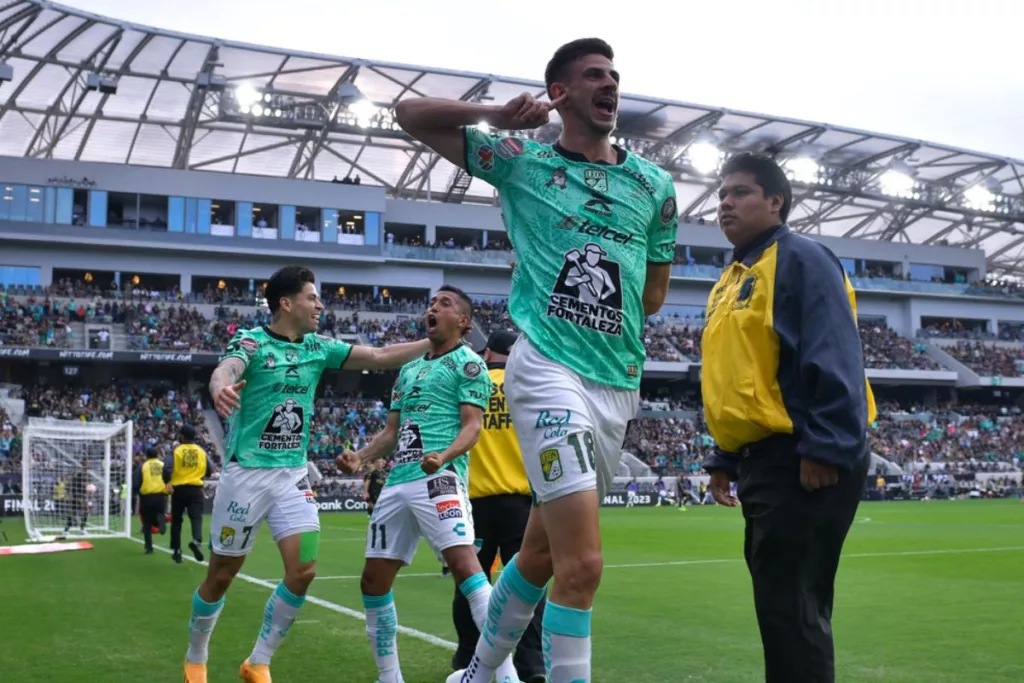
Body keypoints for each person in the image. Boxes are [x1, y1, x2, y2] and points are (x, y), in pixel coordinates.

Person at [396, 38, 678, 683]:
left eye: (614, 75)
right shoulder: (522, 160)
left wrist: (600, 285)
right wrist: (494, 114)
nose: (609, 85)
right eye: (592, 76)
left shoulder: (654, 186)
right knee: (584, 567)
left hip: (616, 383)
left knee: (541, 554)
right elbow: (409, 115)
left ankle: (476, 674)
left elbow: (655, 293)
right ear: (559, 94)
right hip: (548, 367)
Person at [182, 265, 431, 683]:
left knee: (304, 570)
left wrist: (435, 341)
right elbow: (225, 369)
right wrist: (218, 387)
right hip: (246, 477)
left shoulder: (319, 347)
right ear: (286, 303)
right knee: (221, 575)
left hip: (293, 477)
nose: (320, 304)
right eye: (312, 297)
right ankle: (196, 654)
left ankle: (258, 661)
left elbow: (379, 356)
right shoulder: (253, 342)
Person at [699, 152, 876, 683]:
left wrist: (825, 446)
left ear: (775, 202)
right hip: (762, 460)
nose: (725, 203)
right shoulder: (732, 277)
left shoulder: (802, 257)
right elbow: (740, 372)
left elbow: (833, 349)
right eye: (721, 194)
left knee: (793, 609)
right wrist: (725, 456)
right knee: (780, 608)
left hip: (800, 454)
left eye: (740, 192)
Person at [336, 286, 520, 683]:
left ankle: (506, 676)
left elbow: (473, 427)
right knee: (373, 580)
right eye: (432, 303)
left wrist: (445, 456)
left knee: (467, 569)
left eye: (445, 304)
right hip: (399, 482)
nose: (433, 308)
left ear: (464, 322)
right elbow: (391, 432)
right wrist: (362, 457)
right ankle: (390, 677)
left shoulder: (469, 364)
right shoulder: (409, 369)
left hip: (440, 480)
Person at [450, 329, 545, 683]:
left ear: (487, 353)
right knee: (529, 585)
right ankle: (532, 663)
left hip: (473, 502)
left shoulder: (470, 384)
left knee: (470, 582)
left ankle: (468, 658)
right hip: (521, 503)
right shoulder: (527, 382)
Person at [167, 424, 210, 564]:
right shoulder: (201, 451)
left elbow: (167, 467)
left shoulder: (177, 450)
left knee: (176, 521)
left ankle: (177, 551)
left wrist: (167, 481)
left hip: (179, 489)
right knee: (196, 518)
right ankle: (196, 540)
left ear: (182, 436)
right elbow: (210, 469)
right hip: (196, 488)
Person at [134, 447, 170, 554]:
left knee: (147, 523)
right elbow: (168, 479)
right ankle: (160, 521)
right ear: (157, 455)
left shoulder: (142, 467)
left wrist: (136, 493)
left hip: (147, 497)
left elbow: (136, 483)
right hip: (160, 496)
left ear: (146, 455)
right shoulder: (162, 465)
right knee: (158, 515)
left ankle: (149, 548)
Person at [62, 462, 92, 534]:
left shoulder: (81, 473)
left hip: (78, 495)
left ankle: (66, 530)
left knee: (73, 513)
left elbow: (71, 482)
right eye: (88, 463)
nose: (89, 465)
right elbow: (74, 482)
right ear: (84, 465)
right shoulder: (81, 474)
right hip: (79, 495)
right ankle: (81, 529)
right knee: (86, 511)